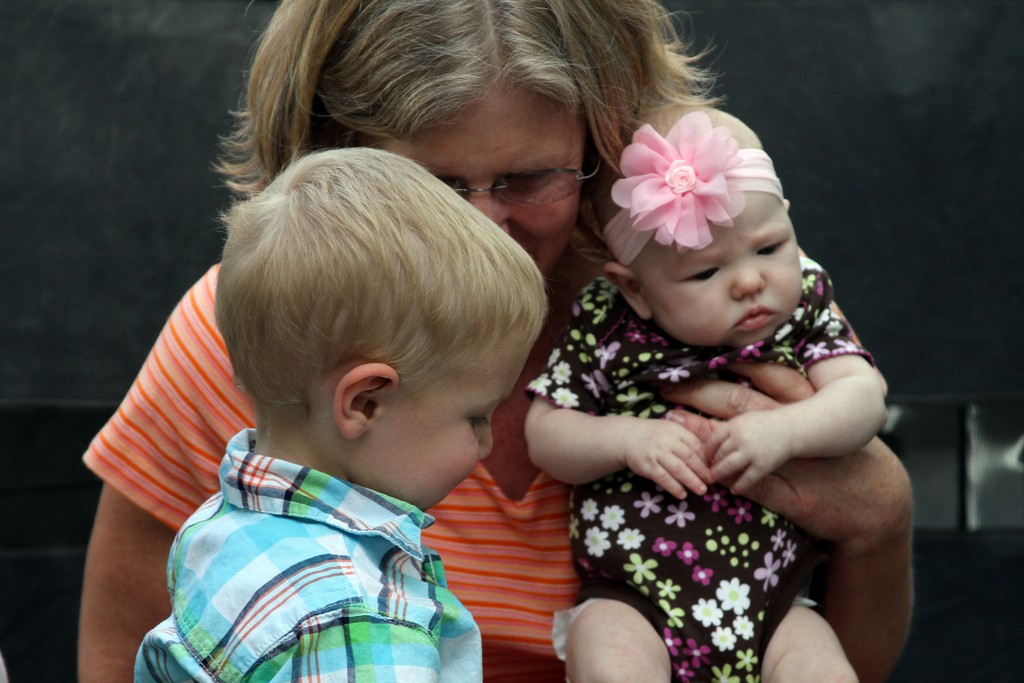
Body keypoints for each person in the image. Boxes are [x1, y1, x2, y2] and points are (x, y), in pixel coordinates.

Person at [78, 1, 913, 681]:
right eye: (434, 185)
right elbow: (127, 658)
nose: (486, 225)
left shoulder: (695, 305)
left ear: (603, 149)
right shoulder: (261, 337)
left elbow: (837, 651)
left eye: (530, 177)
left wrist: (879, 517)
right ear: (341, 156)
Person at [134, 147, 548, 681]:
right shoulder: (359, 615)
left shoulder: (218, 530)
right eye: (475, 416)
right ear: (365, 403)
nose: (486, 443)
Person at [526, 109, 888, 682]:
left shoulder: (803, 302)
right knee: (609, 659)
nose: (749, 282)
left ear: (788, 220)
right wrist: (626, 439)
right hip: (633, 595)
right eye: (703, 274)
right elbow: (546, 434)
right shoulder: (607, 325)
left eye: (769, 248)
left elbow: (864, 396)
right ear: (634, 289)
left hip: (775, 598)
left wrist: (788, 429)